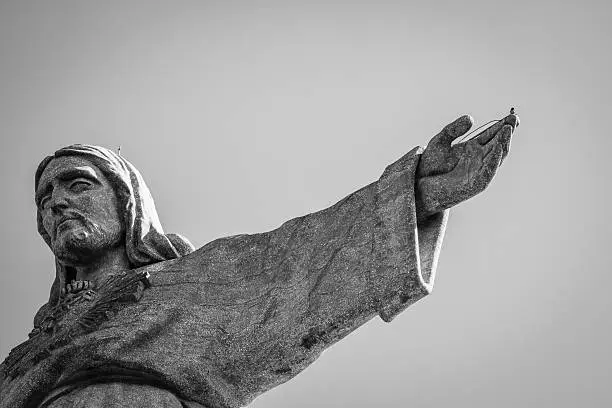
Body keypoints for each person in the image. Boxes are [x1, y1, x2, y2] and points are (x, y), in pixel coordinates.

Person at [0, 113, 519, 408]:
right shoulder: (22, 360)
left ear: (127, 204)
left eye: (78, 184)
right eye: (44, 198)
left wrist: (417, 191)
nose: (57, 202)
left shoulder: (186, 286)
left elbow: (295, 262)